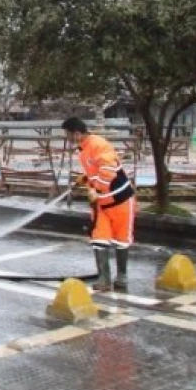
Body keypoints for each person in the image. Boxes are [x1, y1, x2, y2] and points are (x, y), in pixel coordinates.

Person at [63, 117, 136, 292]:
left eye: (68, 135)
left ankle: (122, 277)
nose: (67, 139)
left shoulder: (98, 144)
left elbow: (108, 170)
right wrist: (86, 178)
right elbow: (96, 170)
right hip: (101, 204)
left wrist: (98, 190)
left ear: (77, 134)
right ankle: (104, 279)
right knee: (99, 238)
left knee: (121, 240)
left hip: (121, 200)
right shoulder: (84, 149)